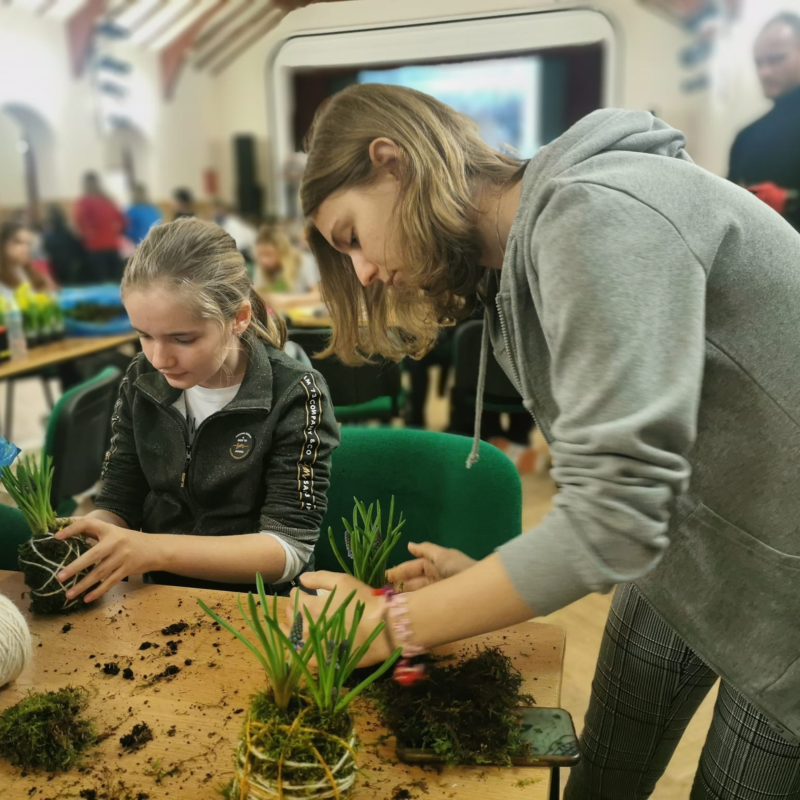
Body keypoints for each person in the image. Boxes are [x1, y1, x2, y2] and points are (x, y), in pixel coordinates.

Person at [291, 84, 800, 799]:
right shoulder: (515, 270)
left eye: (351, 237)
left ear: (392, 163)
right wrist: (487, 581)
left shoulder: (598, 211)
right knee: (601, 778)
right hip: (690, 558)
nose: (365, 271)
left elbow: (610, 522)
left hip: (788, 593)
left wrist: (390, 624)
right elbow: (633, 493)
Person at [53, 217, 339, 601]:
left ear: (238, 318)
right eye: (143, 335)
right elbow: (120, 498)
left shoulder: (296, 393)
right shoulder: (143, 379)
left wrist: (152, 549)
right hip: (159, 597)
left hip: (259, 604)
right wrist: (89, 533)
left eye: (183, 338)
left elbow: (288, 549)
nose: (158, 358)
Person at [729, 12, 800, 228]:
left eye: (776, 59)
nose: (764, 72)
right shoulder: (745, 137)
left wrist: (789, 200)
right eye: (758, 63)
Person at [255, 224, 322, 311]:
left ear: (282, 250)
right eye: (260, 255)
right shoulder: (261, 268)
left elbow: (319, 296)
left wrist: (287, 300)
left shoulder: (303, 261)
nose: (264, 260)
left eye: (269, 254)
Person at [74, 172, 125, 283]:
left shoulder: (84, 201)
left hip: (95, 247)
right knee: (115, 281)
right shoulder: (108, 200)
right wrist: (114, 233)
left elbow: (80, 223)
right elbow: (122, 220)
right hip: (112, 245)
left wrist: (87, 234)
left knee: (100, 282)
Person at [0, 221, 56, 292]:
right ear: (3, 244)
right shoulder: (3, 279)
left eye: (28, 243)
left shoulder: (27, 271)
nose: (25, 248)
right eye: (18, 242)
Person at [41, 205, 87, 286]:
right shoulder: (69, 232)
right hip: (73, 264)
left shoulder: (49, 235)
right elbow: (79, 246)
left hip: (58, 264)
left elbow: (46, 249)